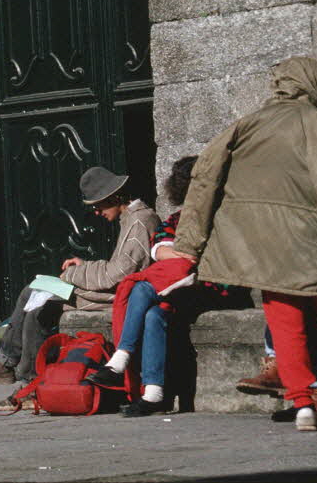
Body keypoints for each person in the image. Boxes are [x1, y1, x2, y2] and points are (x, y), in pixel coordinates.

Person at [171, 57, 317, 433]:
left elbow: (203, 180)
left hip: (263, 248)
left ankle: (301, 405)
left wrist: (189, 243)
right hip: (313, 244)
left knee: (285, 326)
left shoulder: (246, 124)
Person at [0, 166, 158, 407]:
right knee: (31, 291)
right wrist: (85, 265)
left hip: (118, 296)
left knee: (41, 307)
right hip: (111, 289)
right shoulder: (130, 218)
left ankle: (31, 384)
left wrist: (74, 274)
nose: (97, 212)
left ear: (114, 198)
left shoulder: (140, 221)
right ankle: (5, 364)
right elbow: (119, 265)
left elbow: (118, 274)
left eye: (98, 206)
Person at [91, 156, 253, 416]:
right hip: (184, 288)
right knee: (156, 314)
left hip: (218, 288)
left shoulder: (227, 218)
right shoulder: (180, 218)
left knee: (143, 288)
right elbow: (159, 247)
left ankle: (120, 359)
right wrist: (184, 254)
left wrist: (188, 256)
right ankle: (153, 392)